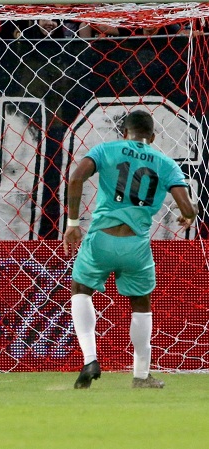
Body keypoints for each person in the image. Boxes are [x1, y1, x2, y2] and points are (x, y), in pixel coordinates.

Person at [63, 110, 197, 389]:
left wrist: (73, 224)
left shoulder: (106, 150)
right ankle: (141, 375)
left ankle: (90, 359)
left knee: (81, 289)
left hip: (101, 239)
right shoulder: (166, 164)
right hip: (136, 246)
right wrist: (189, 215)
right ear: (153, 137)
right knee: (140, 303)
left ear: (124, 133)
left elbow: (75, 179)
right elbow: (186, 208)